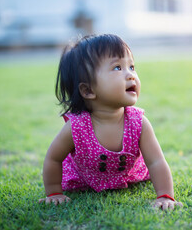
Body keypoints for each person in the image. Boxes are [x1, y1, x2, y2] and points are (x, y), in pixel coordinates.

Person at [38, 34, 183, 210]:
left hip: (129, 177)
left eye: (131, 66)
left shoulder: (139, 123)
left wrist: (165, 196)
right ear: (88, 90)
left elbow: (156, 161)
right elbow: (53, 158)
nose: (130, 75)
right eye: (117, 68)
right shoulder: (76, 127)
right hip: (82, 180)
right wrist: (54, 193)